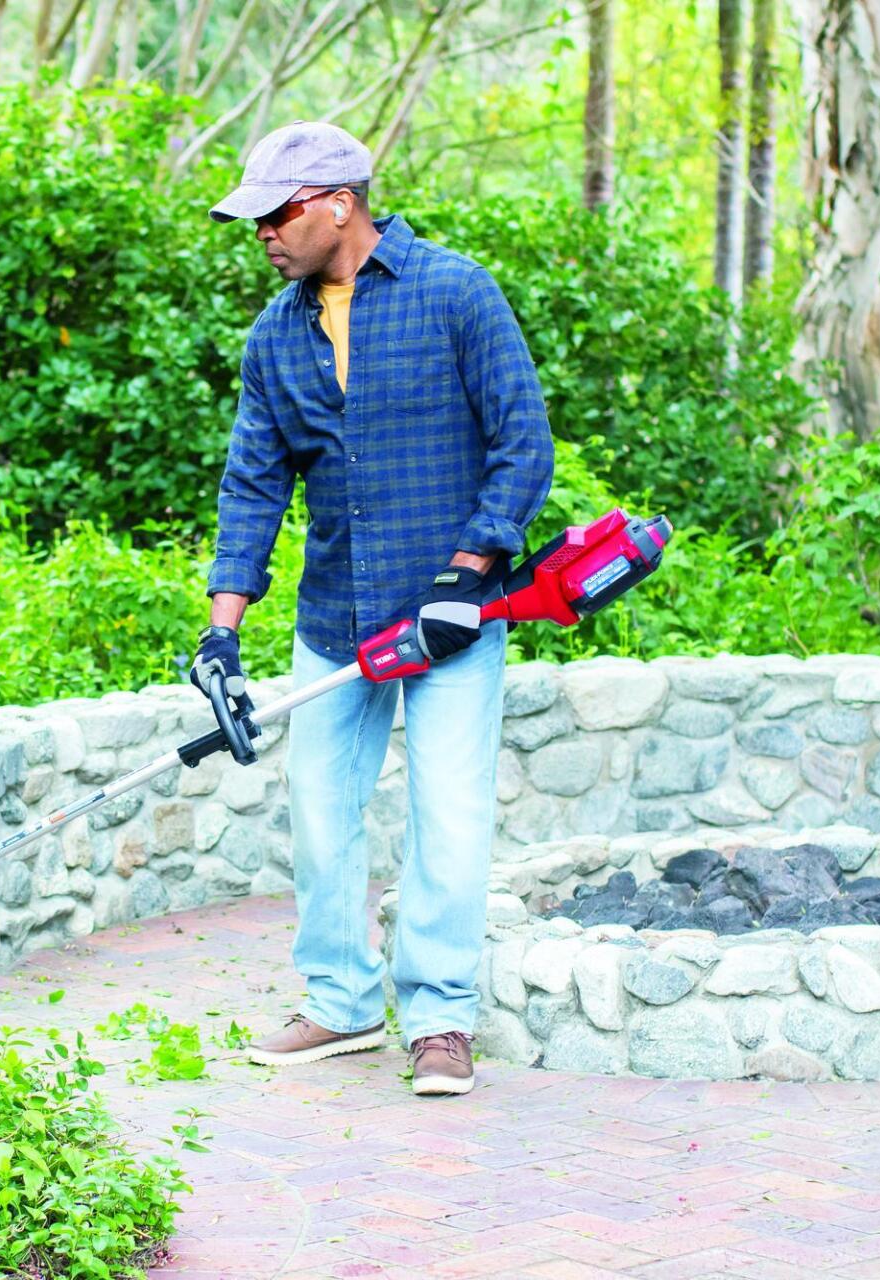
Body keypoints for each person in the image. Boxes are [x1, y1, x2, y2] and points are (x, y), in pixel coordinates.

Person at [191, 121, 552, 1097]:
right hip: (335, 619)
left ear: (338, 204)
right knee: (318, 815)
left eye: (278, 211)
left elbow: (524, 444)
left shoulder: (453, 293)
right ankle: (342, 1002)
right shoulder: (276, 334)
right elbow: (253, 485)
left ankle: (437, 1016)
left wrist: (465, 570)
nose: (262, 230)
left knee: (448, 817)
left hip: (452, 621)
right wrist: (221, 630)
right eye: (256, 215)